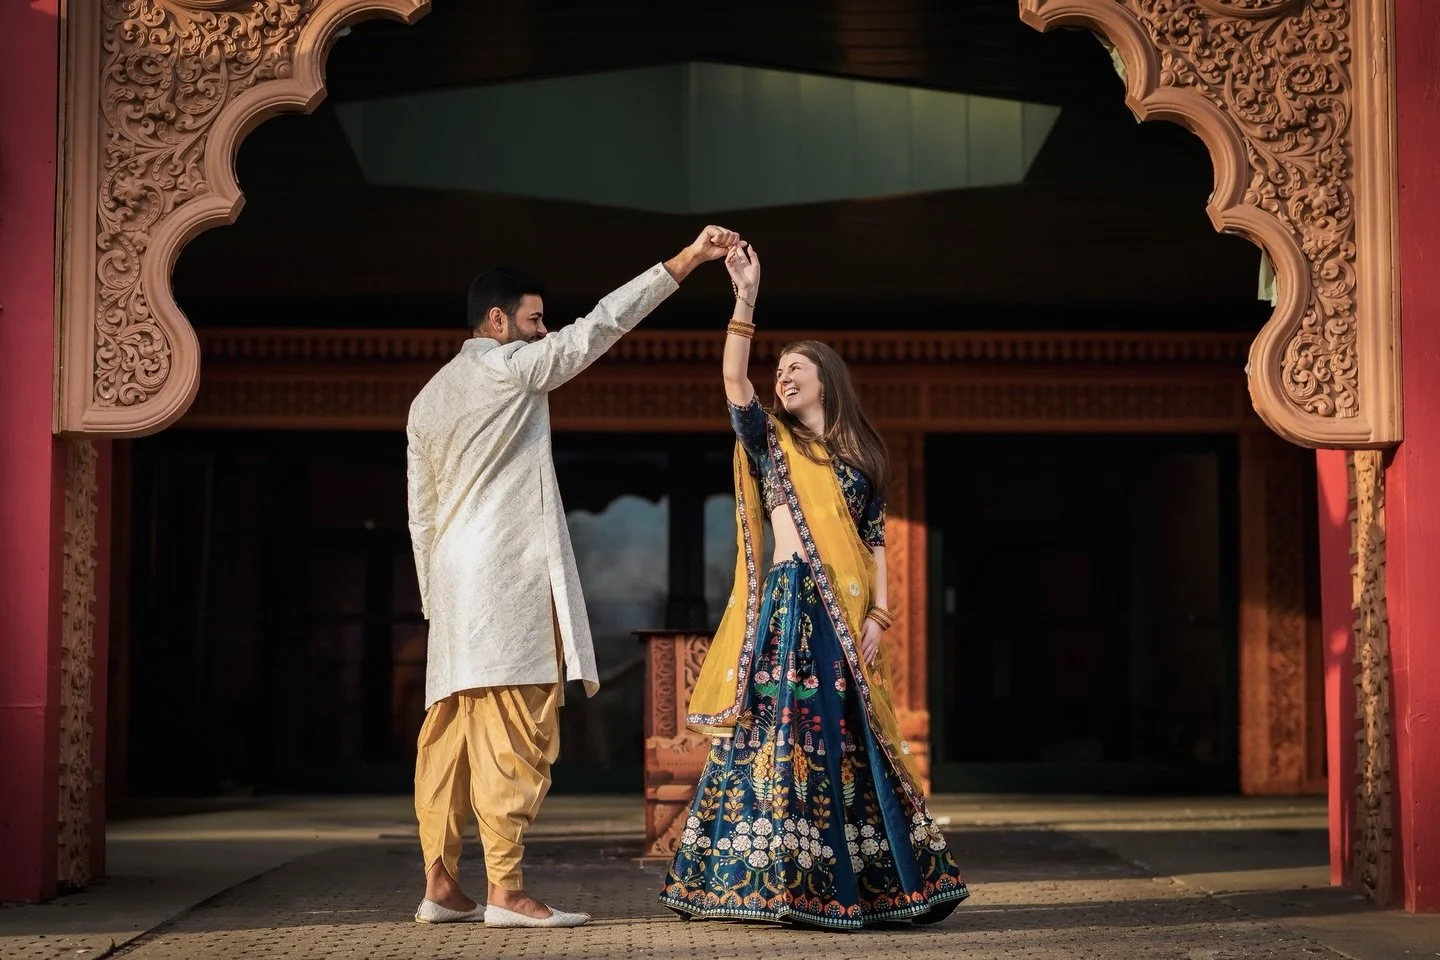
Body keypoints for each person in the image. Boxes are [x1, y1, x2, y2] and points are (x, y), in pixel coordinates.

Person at [407, 226, 739, 928]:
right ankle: (506, 891)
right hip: (502, 580)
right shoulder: (510, 367)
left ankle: (441, 884)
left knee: (453, 735)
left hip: (453, 589)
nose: (545, 330)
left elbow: (421, 515)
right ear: (497, 322)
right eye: (534, 319)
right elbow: (601, 325)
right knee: (514, 728)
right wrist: (685, 261)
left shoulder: (427, 399)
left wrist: (436, 604)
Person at [659, 241, 969, 930]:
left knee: (847, 738)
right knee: (776, 735)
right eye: (779, 371)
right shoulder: (771, 441)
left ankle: (869, 887)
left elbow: (874, 544)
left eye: (795, 367)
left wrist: (879, 618)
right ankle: (764, 883)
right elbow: (734, 378)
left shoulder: (866, 456)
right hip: (788, 606)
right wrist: (744, 298)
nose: (782, 377)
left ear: (826, 379)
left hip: (844, 619)